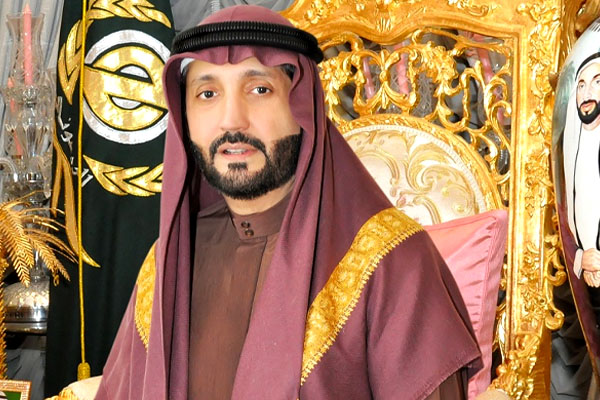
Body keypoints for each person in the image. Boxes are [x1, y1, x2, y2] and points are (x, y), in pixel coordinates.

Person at [95, 5, 481, 399]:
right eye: (207, 94)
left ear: (302, 108)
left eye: (259, 89)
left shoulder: (392, 262)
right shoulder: (168, 262)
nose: (232, 120)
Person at [563, 53, 600, 287]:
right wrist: (581, 260)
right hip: (582, 287)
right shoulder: (570, 147)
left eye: (597, 82)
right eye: (581, 85)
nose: (587, 94)